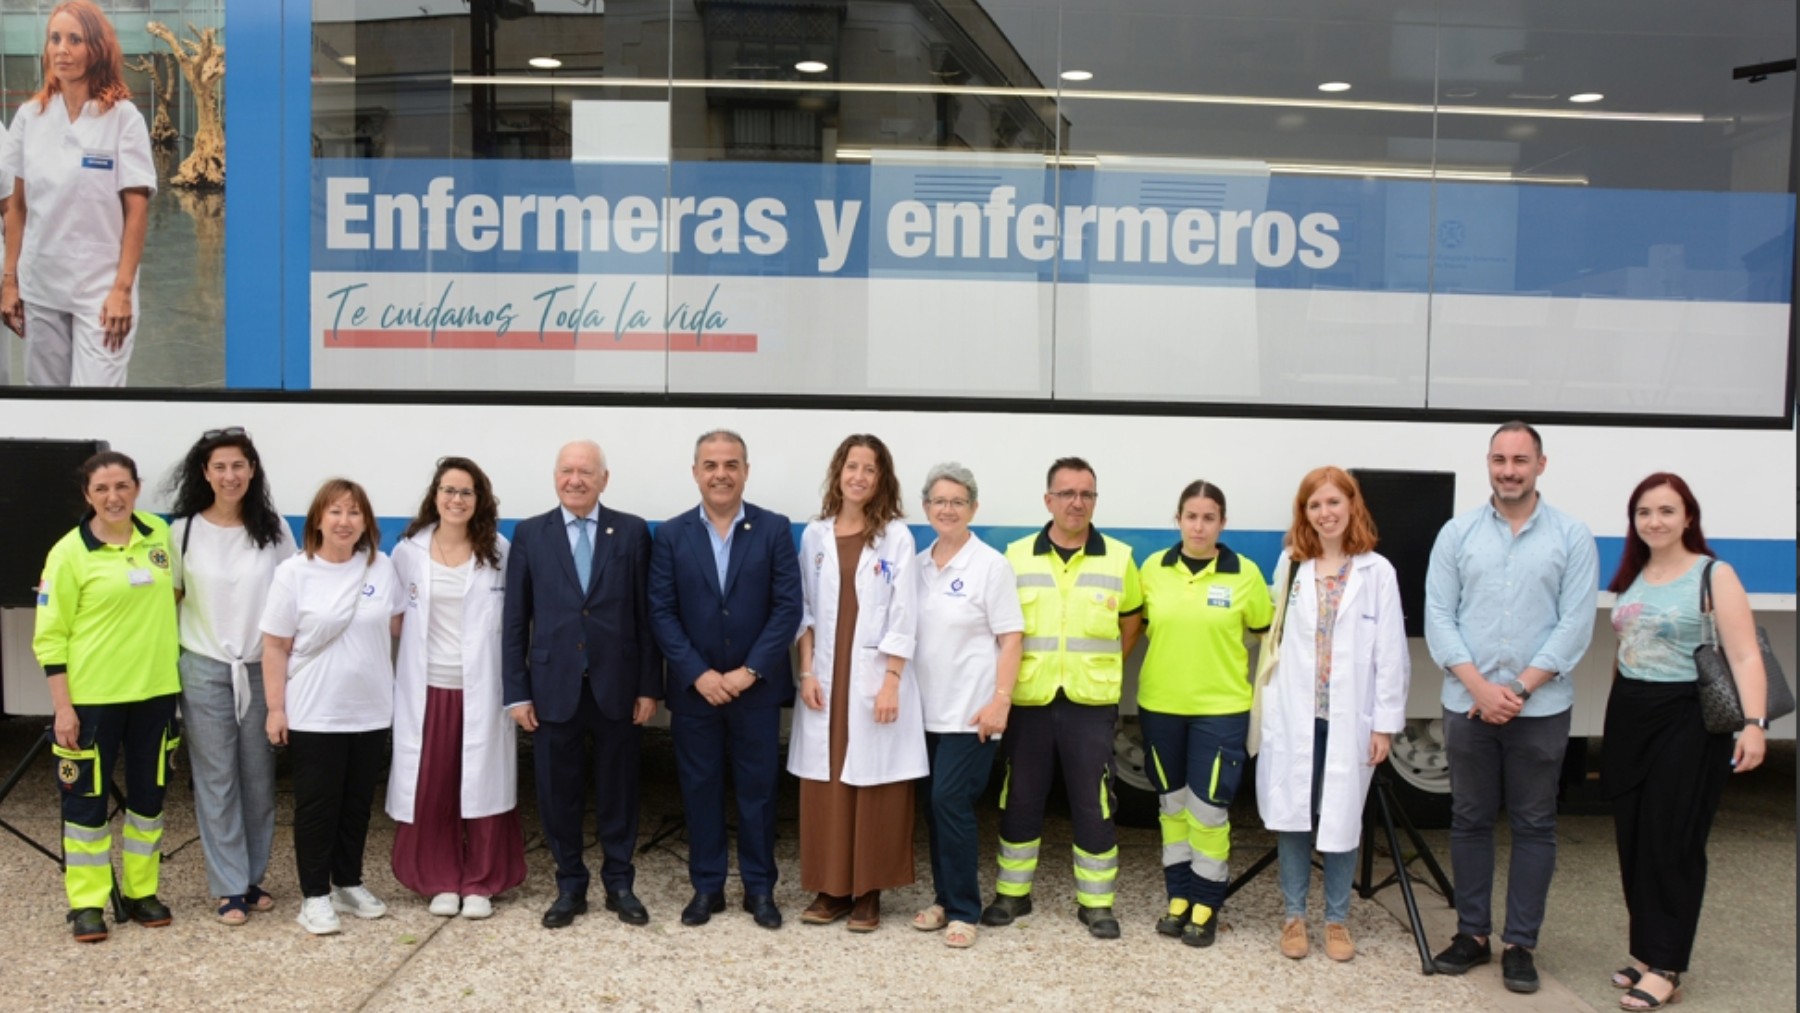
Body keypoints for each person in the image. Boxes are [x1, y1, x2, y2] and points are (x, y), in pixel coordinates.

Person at [1425, 420, 1599, 993]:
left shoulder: (1572, 537)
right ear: (1488, 463)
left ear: (1540, 466)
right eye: (1500, 459)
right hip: (1468, 704)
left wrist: (1519, 689)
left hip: (1540, 709)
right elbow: (1439, 617)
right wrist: (1480, 688)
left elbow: (1575, 625)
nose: (1509, 470)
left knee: (1534, 825)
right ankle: (1472, 935)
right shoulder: (1457, 534)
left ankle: (1521, 944)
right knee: (1470, 820)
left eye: (1520, 460)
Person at [1602, 473, 1767, 1011]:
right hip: (1631, 715)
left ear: (1688, 517)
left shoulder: (1713, 574)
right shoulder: (1632, 575)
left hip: (1686, 719)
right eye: (1645, 512)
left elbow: (1744, 655)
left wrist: (1754, 724)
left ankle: (1668, 965)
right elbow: (1624, 651)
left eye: (1667, 511)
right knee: (1634, 840)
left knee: (1672, 840)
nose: (1655, 521)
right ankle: (1646, 955)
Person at [981, 457, 1142, 940]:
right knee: (1020, 796)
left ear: (1095, 501)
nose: (1077, 502)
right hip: (1029, 699)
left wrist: (1105, 663)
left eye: (1086, 494)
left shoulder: (1118, 557)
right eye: (1067, 493)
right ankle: (1012, 893)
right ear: (1048, 500)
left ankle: (1096, 903)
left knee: (1094, 801)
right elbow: (999, 627)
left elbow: (1131, 622)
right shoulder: (1015, 557)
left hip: (1089, 703)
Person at [648, 430, 803, 931]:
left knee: (758, 792)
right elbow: (661, 611)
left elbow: (787, 608)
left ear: (746, 471)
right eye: (710, 464)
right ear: (696, 472)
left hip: (755, 689)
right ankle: (707, 887)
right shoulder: (671, 535)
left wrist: (748, 671)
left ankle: (760, 888)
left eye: (731, 464)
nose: (721, 473)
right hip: (696, 693)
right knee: (700, 788)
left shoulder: (774, 528)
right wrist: (699, 674)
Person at [503, 440, 660, 929]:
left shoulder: (632, 532)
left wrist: (649, 687)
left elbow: (646, 616)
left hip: (618, 686)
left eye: (586, 472)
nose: (576, 479)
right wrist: (517, 691)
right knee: (557, 793)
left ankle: (620, 883)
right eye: (567, 471)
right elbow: (514, 621)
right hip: (552, 689)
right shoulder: (531, 534)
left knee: (620, 790)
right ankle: (570, 885)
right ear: (555, 477)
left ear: (604, 479)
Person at [1255, 467, 1409, 962]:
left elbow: (1391, 653)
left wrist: (1384, 723)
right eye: (1314, 505)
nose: (1324, 514)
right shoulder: (1292, 564)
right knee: (1294, 815)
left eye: (1333, 503)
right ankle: (1294, 916)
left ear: (1351, 506)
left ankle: (1338, 920)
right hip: (1297, 714)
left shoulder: (1376, 571)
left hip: (1350, 718)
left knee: (1342, 816)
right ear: (1305, 513)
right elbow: (1276, 640)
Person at [33, 451, 180, 942]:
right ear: (87, 496)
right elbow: (50, 637)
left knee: (148, 800)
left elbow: (175, 594)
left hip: (156, 694)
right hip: (92, 700)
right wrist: (63, 708)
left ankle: (142, 893)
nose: (113, 497)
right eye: (102, 489)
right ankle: (88, 903)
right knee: (86, 807)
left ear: (137, 487)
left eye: (122, 486)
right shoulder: (68, 553)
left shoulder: (159, 534)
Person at [260, 478, 405, 936]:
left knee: (358, 804)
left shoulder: (381, 567)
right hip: (314, 710)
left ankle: (347, 882)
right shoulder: (294, 572)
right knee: (318, 806)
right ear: (318, 519)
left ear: (367, 522)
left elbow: (402, 625)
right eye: (335, 512)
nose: (345, 521)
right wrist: (275, 709)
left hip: (371, 708)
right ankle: (314, 896)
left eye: (354, 512)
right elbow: (275, 646)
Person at [790, 433, 922, 932]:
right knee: (826, 783)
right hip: (824, 673)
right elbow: (802, 611)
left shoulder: (897, 537)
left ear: (882, 478)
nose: (859, 476)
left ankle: (868, 892)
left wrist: (891, 680)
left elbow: (905, 615)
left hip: (872, 676)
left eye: (870, 468)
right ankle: (831, 889)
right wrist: (805, 672)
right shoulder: (815, 535)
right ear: (838, 473)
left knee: (875, 784)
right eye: (852, 466)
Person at [166, 427, 296, 926]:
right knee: (216, 779)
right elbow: (171, 602)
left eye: (238, 465)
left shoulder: (275, 530)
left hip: (261, 667)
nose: (229, 475)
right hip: (202, 667)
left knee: (259, 778)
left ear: (252, 470)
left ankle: (252, 877)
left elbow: (292, 601)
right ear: (205, 473)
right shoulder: (183, 532)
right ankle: (227, 887)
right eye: (219, 466)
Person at [1133, 480, 1271, 948]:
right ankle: (1178, 899)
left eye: (1208, 517)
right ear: (1178, 520)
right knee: (1171, 806)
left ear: (1222, 523)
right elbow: (1144, 626)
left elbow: (1262, 634)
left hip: (1221, 709)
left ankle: (1207, 902)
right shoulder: (1153, 569)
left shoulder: (1245, 574)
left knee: (1208, 811)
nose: (1198, 526)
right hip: (1160, 706)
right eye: (1190, 516)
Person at [388, 457, 526, 920]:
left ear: (479, 500)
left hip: (482, 690)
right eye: (448, 490)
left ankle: (481, 881)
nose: (456, 499)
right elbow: (388, 619)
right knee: (434, 786)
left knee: (483, 785)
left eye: (466, 492)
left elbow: (517, 623)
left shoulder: (499, 552)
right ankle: (440, 879)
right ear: (435, 496)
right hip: (427, 689)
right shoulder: (408, 551)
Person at [0, 0, 155, 386]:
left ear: (96, 49)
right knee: (48, 410)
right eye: (54, 38)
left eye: (74, 39)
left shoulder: (123, 119)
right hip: (42, 287)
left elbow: (136, 213)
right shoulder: (30, 117)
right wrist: (10, 281)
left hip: (100, 292)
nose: (61, 49)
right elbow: (15, 207)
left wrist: (122, 289)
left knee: (97, 403)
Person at [907, 463, 1023, 949]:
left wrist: (1001, 702)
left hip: (971, 713)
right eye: (939, 500)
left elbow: (1012, 638)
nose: (947, 509)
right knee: (933, 810)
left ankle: (963, 910)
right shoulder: (917, 564)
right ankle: (942, 897)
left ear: (973, 507)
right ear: (926, 507)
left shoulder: (990, 565)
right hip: (922, 714)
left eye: (957, 501)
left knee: (948, 802)